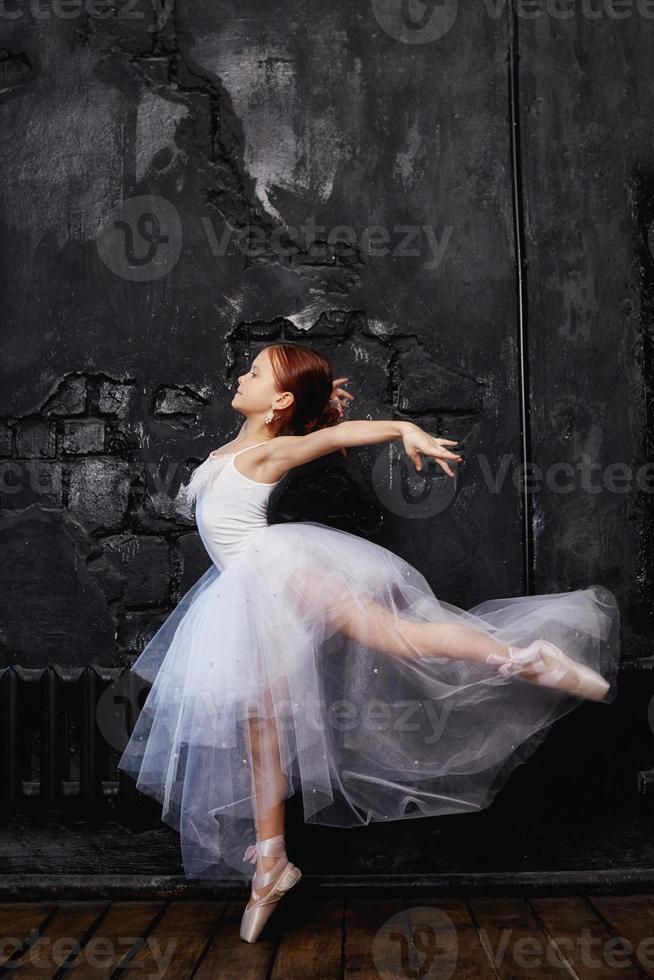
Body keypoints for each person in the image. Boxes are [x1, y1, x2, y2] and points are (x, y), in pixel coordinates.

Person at [117, 341, 620, 943]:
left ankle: (525, 656)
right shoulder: (239, 445)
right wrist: (318, 401)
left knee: (398, 639)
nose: (241, 376)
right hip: (244, 592)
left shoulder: (275, 449)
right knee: (260, 721)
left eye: (255, 373)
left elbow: (335, 440)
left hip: (280, 578)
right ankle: (272, 861)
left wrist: (403, 428)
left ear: (277, 401)